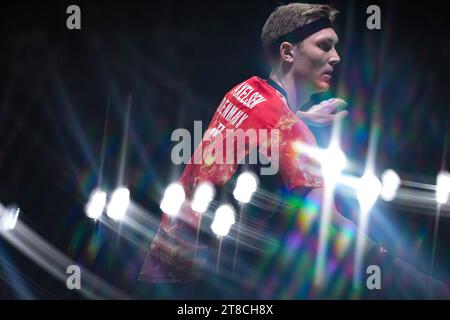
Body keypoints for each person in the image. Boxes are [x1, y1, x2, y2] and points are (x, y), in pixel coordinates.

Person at [140, 3, 448, 299]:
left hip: (163, 265)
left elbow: (261, 126)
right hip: (203, 282)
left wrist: (300, 116)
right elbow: (330, 223)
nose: (336, 57)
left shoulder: (244, 90)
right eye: (324, 46)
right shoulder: (290, 133)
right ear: (288, 52)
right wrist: (414, 281)